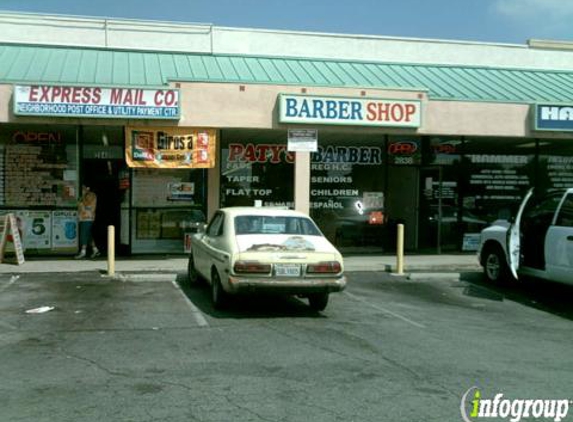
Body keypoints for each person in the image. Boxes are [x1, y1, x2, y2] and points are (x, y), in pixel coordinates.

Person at [75, 185, 100, 259]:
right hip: (83, 217)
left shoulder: (91, 195)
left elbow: (87, 204)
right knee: (88, 235)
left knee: (83, 234)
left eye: (83, 188)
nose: (82, 189)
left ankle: (83, 252)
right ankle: (95, 250)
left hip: (87, 218)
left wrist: (82, 197)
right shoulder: (85, 195)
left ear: (88, 188)